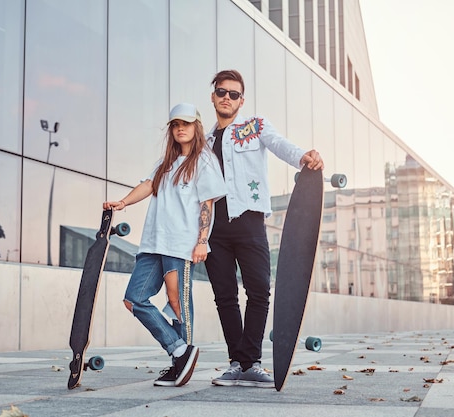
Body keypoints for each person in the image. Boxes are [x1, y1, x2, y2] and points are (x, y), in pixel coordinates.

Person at [205, 69, 324, 388]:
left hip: (249, 221)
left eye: (233, 94)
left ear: (241, 101)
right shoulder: (204, 141)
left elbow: (279, 144)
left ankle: (251, 362)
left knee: (259, 290)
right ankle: (236, 363)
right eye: (221, 92)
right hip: (214, 229)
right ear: (213, 95)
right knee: (224, 296)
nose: (226, 98)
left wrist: (303, 157)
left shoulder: (253, 126)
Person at [104, 103, 226, 387]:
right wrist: (122, 203)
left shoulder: (204, 161)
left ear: (196, 126)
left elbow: (207, 204)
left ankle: (179, 363)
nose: (180, 128)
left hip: (180, 245)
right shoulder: (166, 163)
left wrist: (202, 241)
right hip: (152, 244)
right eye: (175, 124)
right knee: (134, 299)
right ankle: (181, 351)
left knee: (177, 303)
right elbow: (147, 185)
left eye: (185, 123)